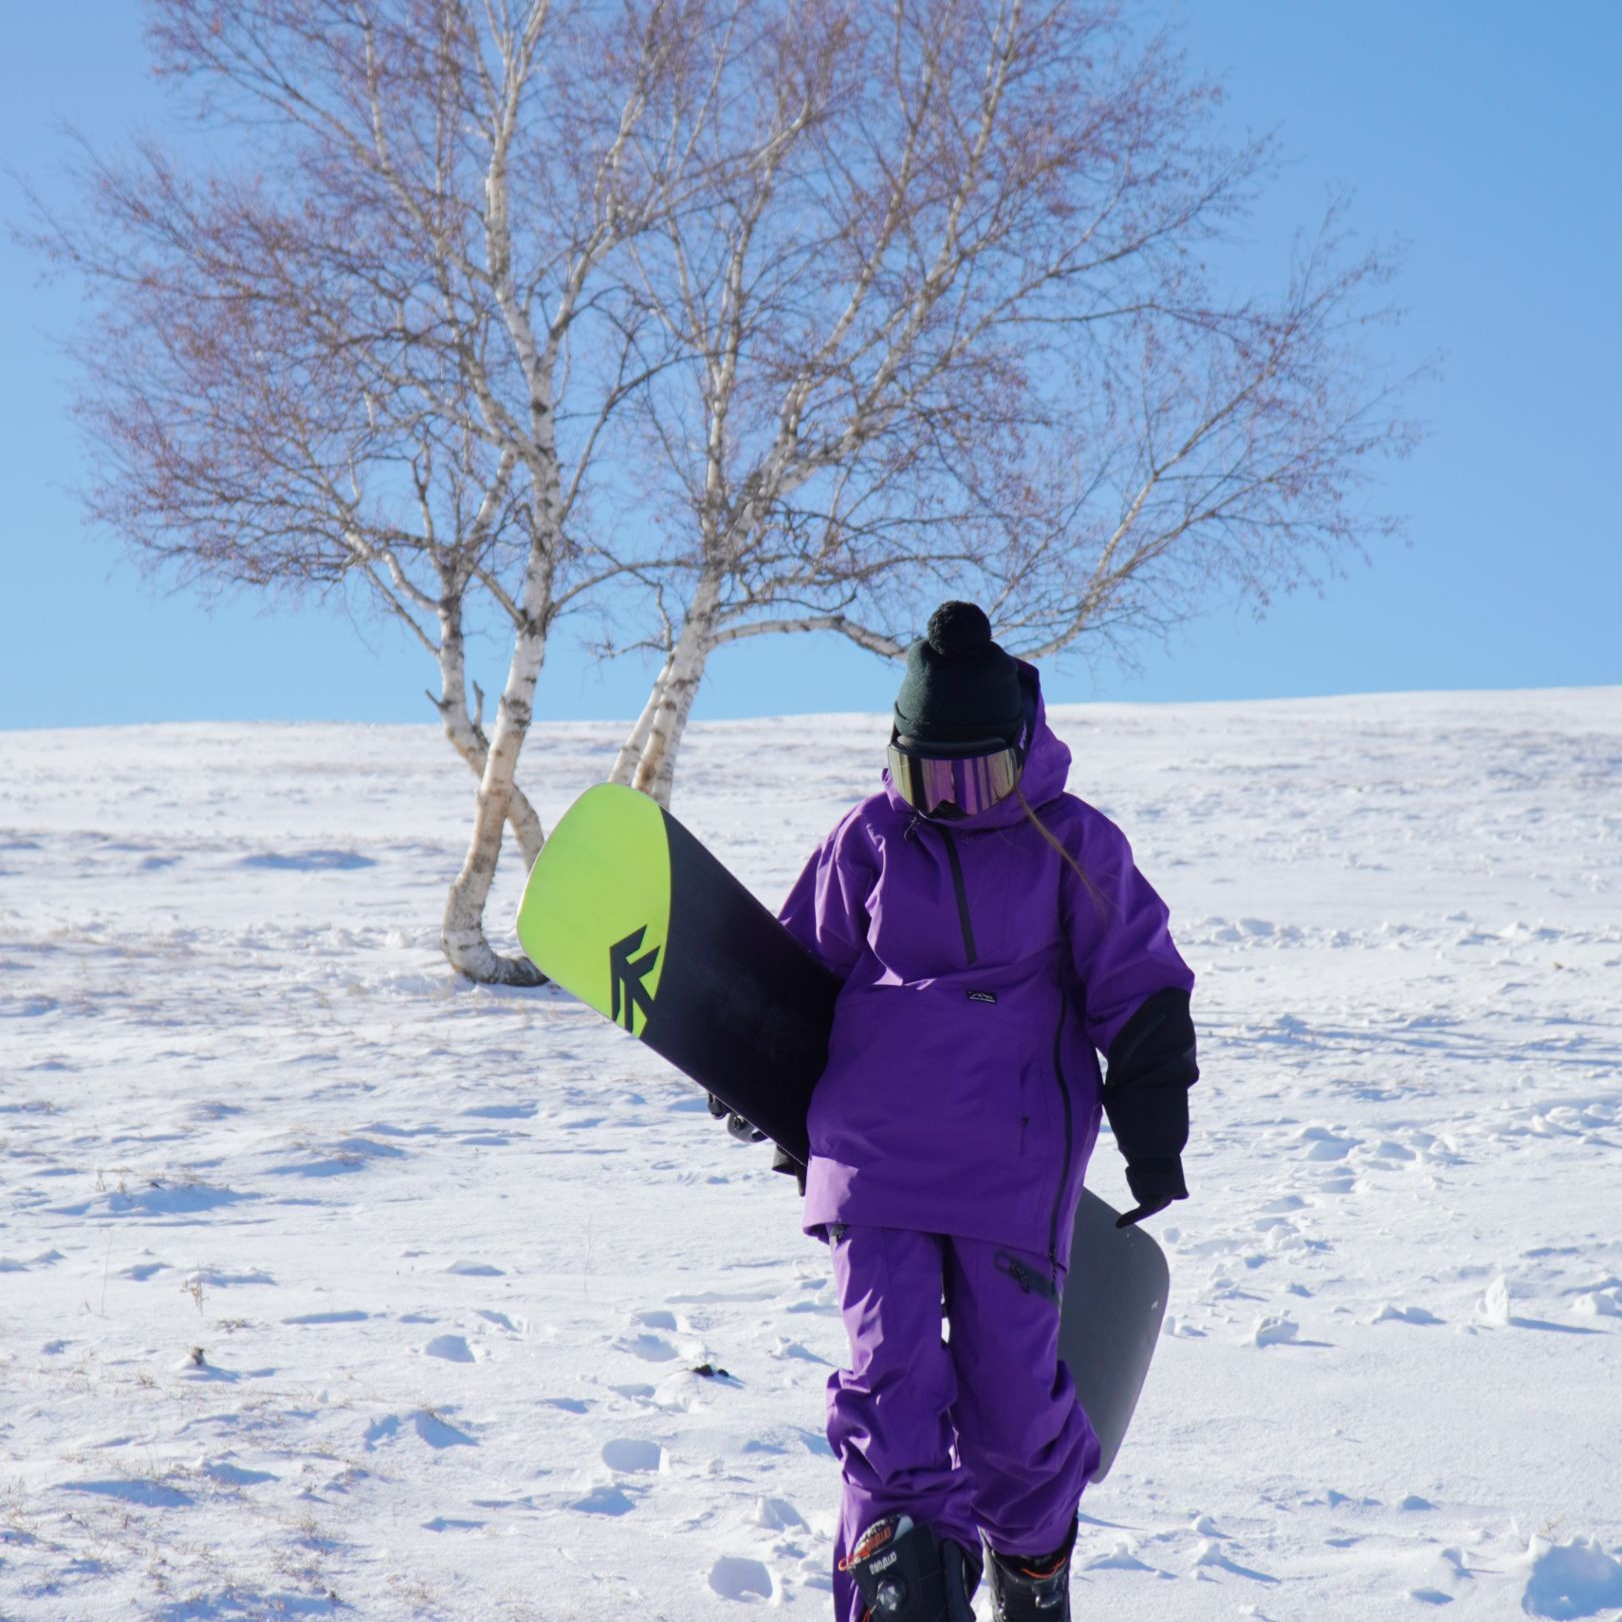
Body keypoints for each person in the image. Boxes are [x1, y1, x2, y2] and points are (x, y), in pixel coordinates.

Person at [767, 601, 1198, 1622]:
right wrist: (759, 1082)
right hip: (871, 1156)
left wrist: (1151, 1127)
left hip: (1008, 1162)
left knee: (1011, 1405)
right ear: (897, 758)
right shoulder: (869, 837)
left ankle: (1030, 1565)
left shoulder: (1072, 842)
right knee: (893, 1378)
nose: (955, 802)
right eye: (931, 777)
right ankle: (901, 1584)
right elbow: (793, 968)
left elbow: (1137, 984)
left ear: (1020, 752)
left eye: (979, 777)